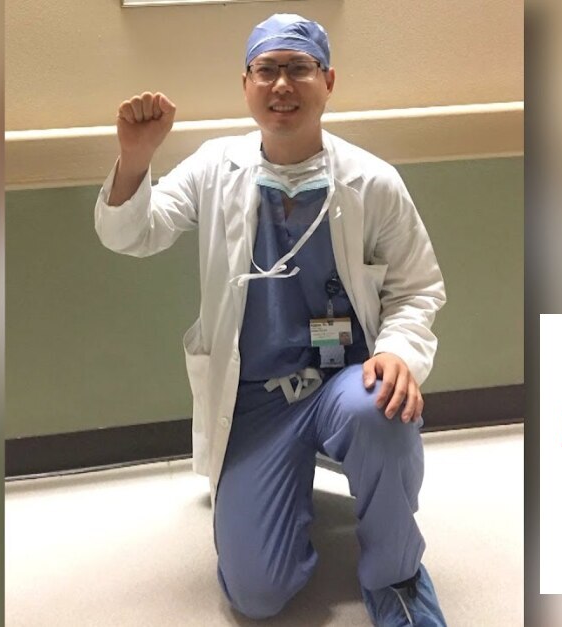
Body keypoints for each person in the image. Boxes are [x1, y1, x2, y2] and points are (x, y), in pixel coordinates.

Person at [94, 13, 448, 627]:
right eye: (266, 70)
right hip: (255, 397)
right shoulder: (215, 167)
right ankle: (276, 490)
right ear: (246, 84)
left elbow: (417, 288)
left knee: (382, 407)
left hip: (343, 383)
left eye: (299, 68)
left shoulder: (372, 182)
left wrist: (397, 351)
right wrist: (135, 159)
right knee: (256, 596)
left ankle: (394, 573)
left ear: (328, 81)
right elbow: (135, 233)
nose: (282, 84)